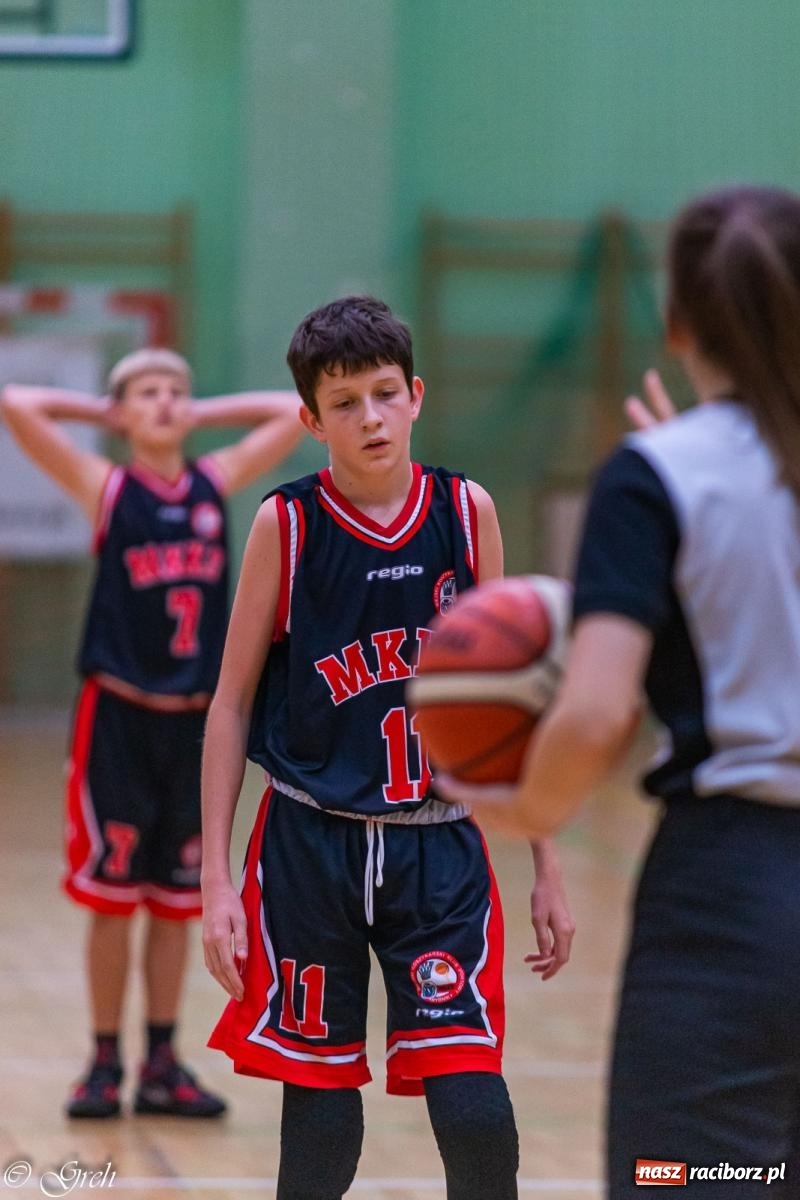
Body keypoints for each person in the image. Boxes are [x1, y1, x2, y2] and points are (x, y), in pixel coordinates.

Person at [438, 185, 800, 1197]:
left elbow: (595, 710)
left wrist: (521, 809)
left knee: (697, 1179)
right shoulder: (682, 469)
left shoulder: (657, 475)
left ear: (675, 320)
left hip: (737, 897)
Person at [200, 295, 574, 1200]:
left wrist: (547, 865)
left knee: (477, 1118)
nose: (368, 418)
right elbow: (229, 704)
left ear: (415, 395)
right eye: (343, 403)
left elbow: (518, 703)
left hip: (438, 846)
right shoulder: (285, 527)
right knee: (321, 1128)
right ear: (309, 419)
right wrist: (215, 879)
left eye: (382, 394)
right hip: (308, 846)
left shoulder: (463, 510)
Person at [0, 347, 304, 1120]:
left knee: (176, 902)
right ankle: (104, 1060)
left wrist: (201, 411)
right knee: (114, 895)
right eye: (147, 392)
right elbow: (16, 405)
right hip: (121, 718)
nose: (167, 401)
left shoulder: (212, 481)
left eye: (177, 390)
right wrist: (100, 413)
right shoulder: (107, 486)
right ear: (120, 412)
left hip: (197, 724)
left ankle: (163, 1061)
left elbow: (291, 412)